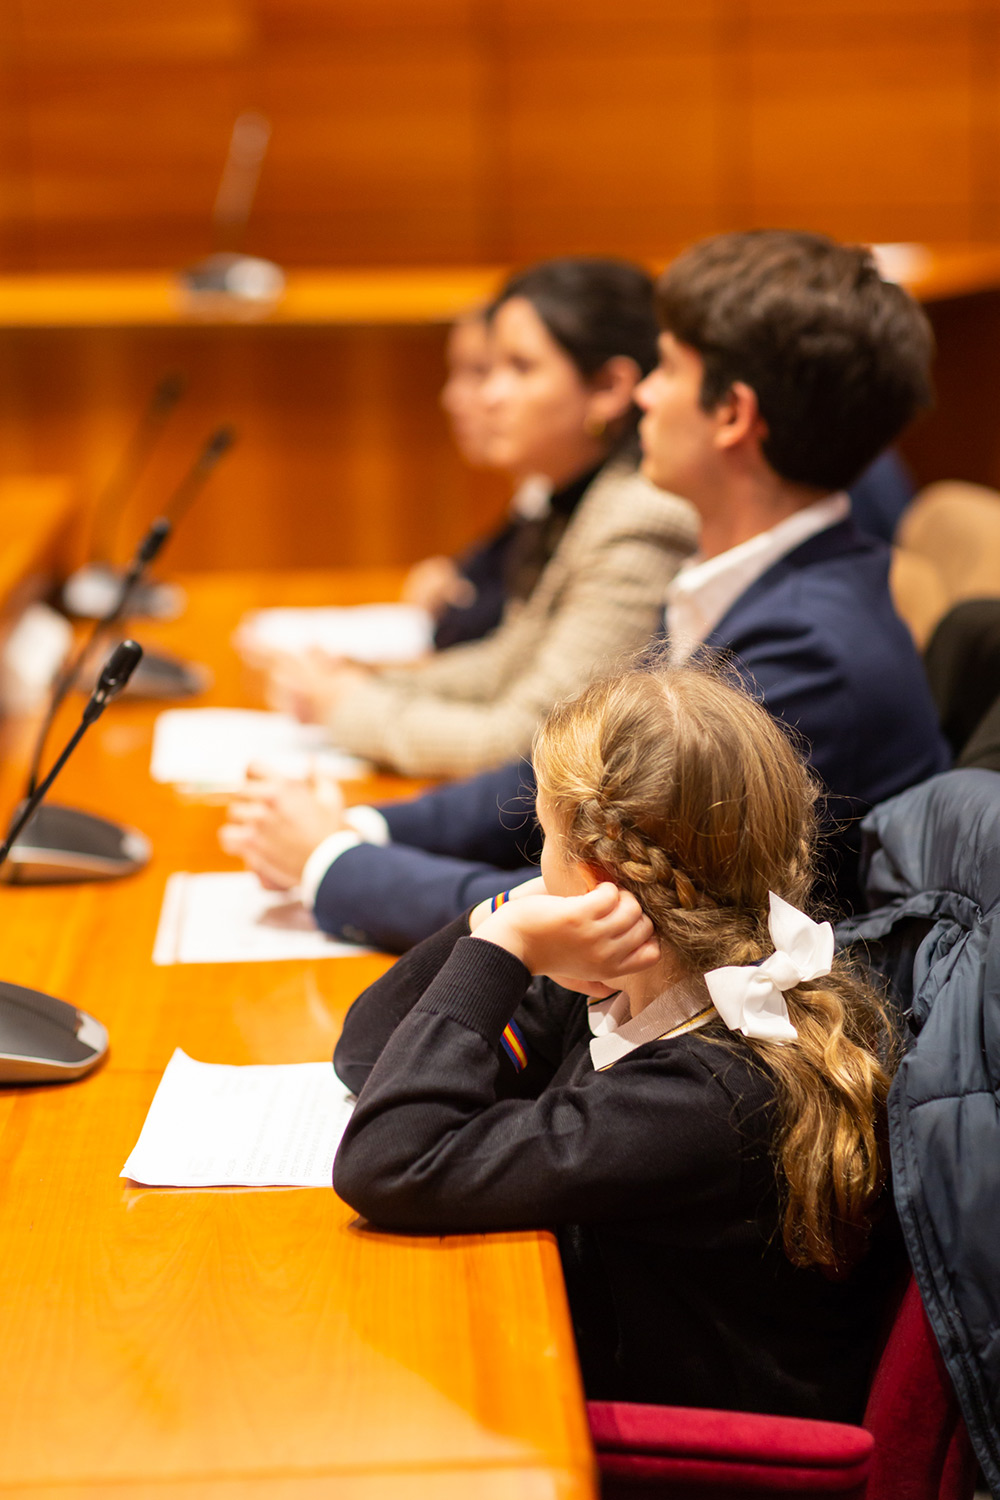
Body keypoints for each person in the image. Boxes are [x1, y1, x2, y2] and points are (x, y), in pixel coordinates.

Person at [222, 230, 949, 947]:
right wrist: (369, 827)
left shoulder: (805, 649)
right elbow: (574, 774)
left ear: (732, 415)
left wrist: (334, 866)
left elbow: (614, 914)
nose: (647, 397)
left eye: (666, 370)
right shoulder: (754, 582)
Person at [333, 663, 904, 1422]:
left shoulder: (705, 1096)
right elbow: (371, 1054)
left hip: (678, 1445)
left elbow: (393, 1161)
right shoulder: (635, 985)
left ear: (599, 873)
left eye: (543, 836)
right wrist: (506, 921)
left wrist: (506, 948)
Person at [254, 258, 698, 778]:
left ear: (608, 388)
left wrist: (348, 708)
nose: (488, 395)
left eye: (520, 368)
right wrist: (365, 682)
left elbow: (535, 743)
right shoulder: (577, 495)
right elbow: (510, 660)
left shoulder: (638, 516)